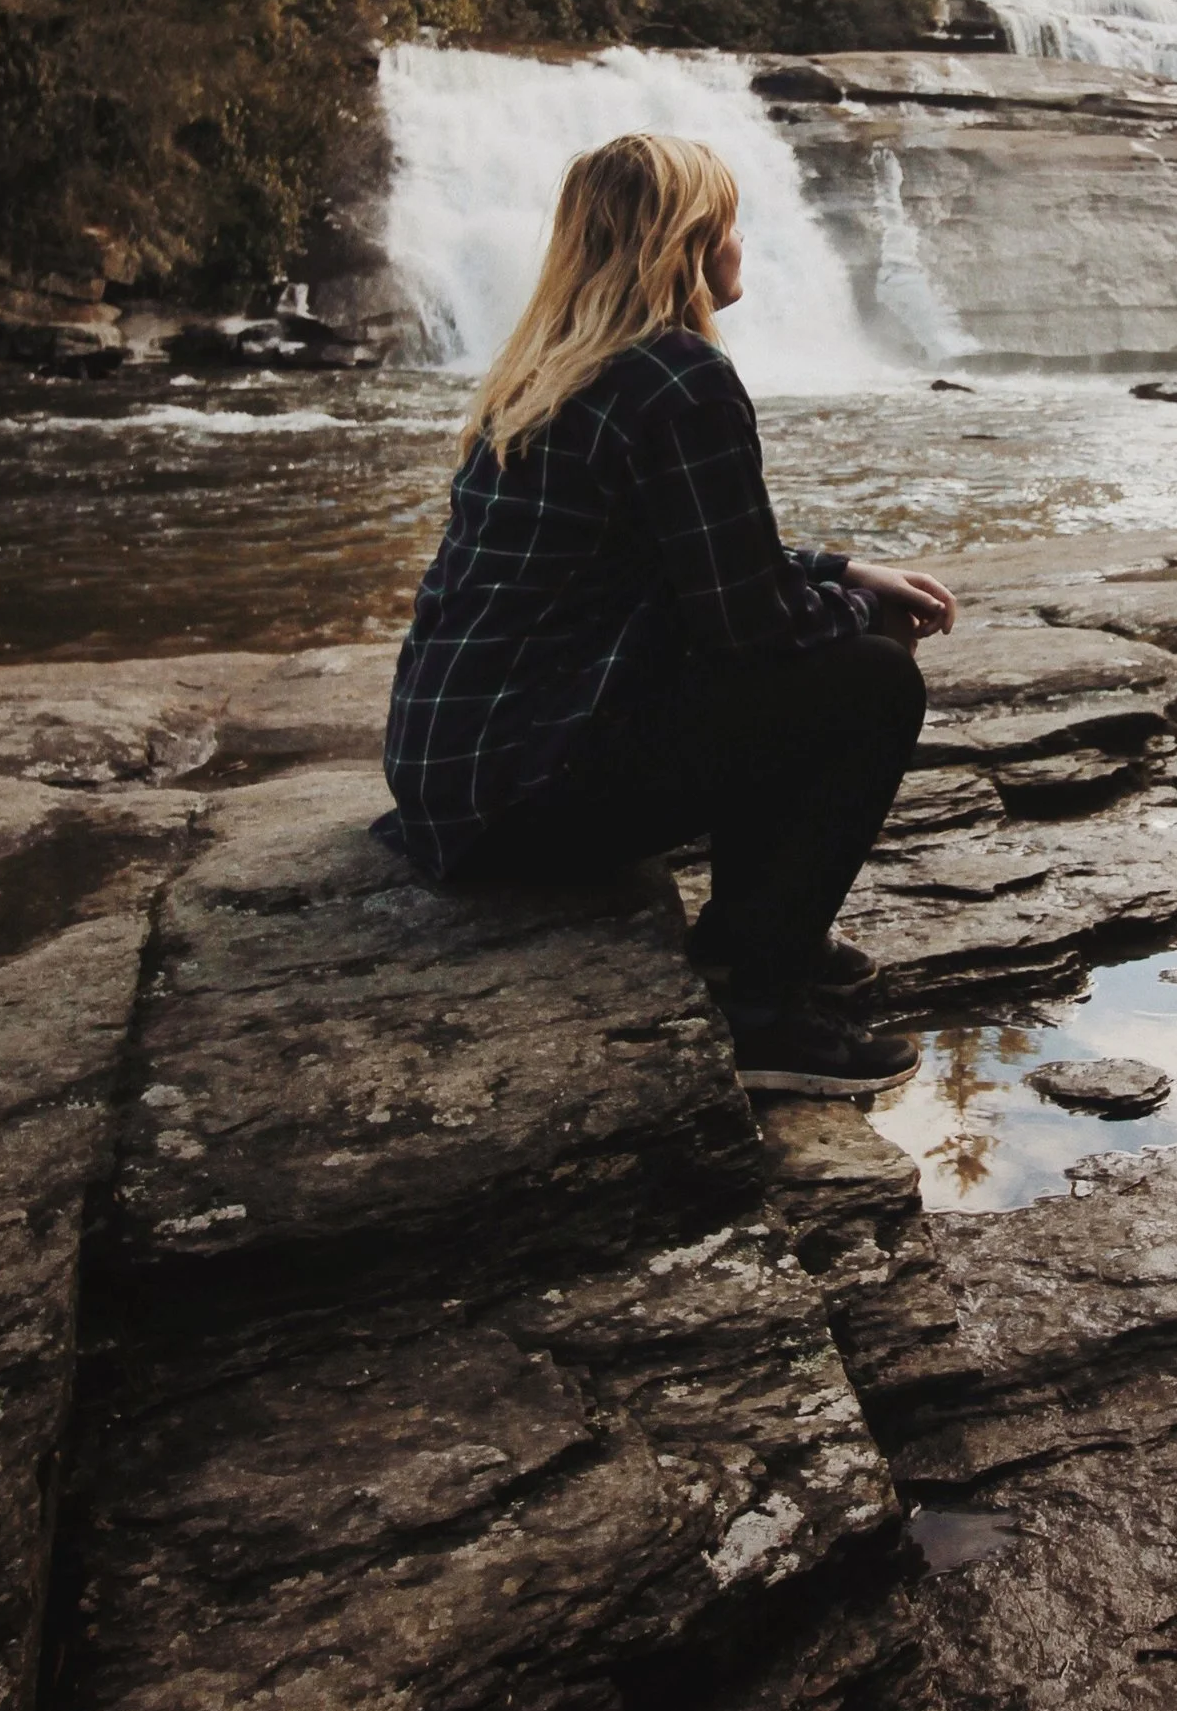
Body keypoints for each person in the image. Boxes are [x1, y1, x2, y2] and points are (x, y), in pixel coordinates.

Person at [380, 129, 956, 1097]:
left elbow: (682, 552)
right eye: (728, 225)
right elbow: (751, 624)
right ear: (686, 244)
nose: (741, 245)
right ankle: (762, 1010)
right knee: (870, 681)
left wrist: (845, 569)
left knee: (805, 653)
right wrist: (862, 614)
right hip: (521, 801)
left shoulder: (547, 368)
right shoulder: (680, 377)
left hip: (449, 776)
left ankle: (747, 935)